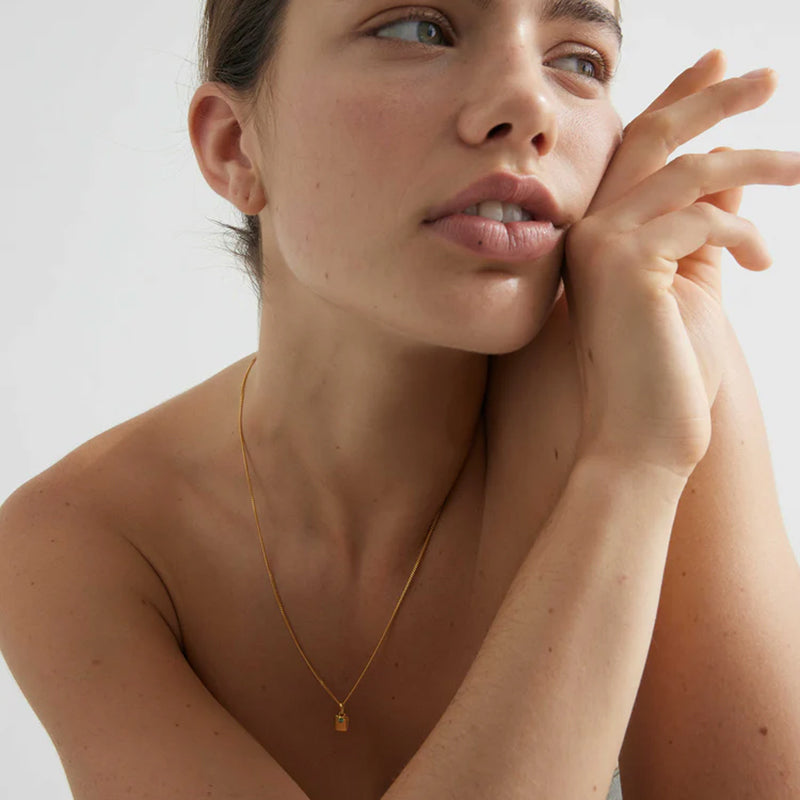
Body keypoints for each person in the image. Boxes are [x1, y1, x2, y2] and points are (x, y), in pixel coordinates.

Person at [1, 0, 799, 798]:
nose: (532, 107)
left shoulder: (652, 383)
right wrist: (630, 467)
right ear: (235, 146)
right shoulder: (83, 540)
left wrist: (642, 459)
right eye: (419, 29)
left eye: (578, 61)